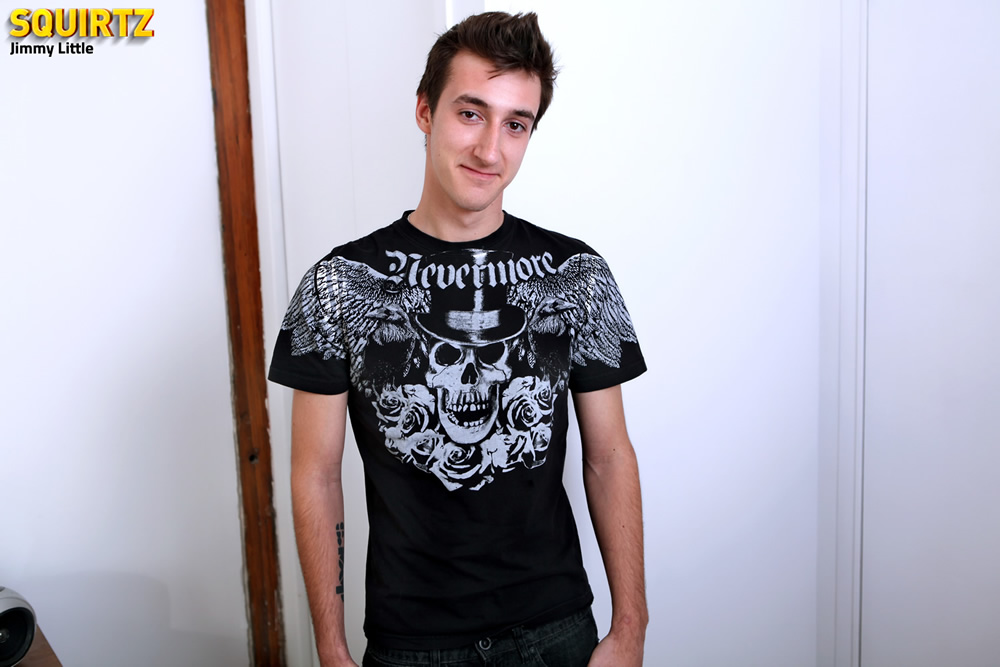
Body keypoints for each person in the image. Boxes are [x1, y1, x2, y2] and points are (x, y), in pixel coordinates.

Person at [268, 11, 647, 667]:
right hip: (412, 643)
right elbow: (316, 473)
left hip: (554, 632)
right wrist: (330, 648)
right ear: (425, 110)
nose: (490, 149)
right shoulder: (337, 285)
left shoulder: (577, 275)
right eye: (471, 113)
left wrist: (631, 626)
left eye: (516, 124)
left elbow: (610, 455)